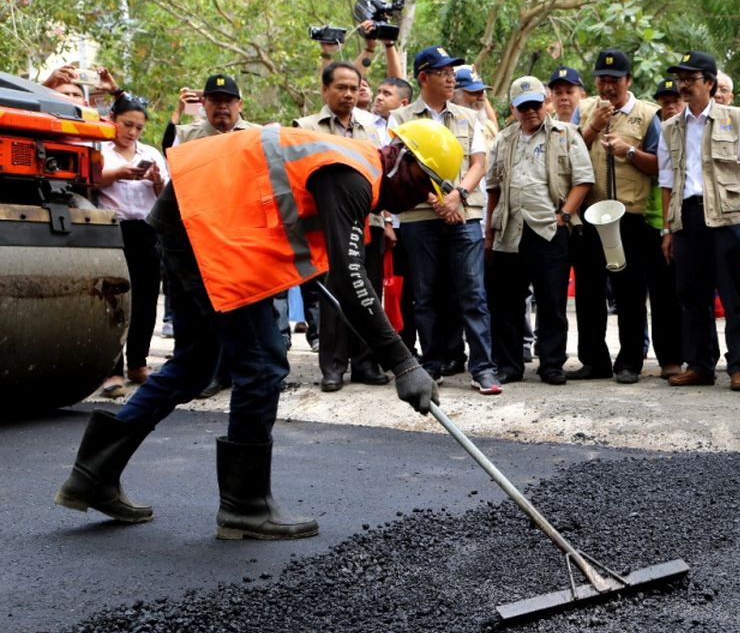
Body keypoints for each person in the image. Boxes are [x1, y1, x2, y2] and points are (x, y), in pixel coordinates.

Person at [54, 120, 454, 539]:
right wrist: (404, 364)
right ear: (401, 160)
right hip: (206, 228)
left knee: (195, 363)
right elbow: (352, 282)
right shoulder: (354, 177)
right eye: (422, 183)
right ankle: (245, 506)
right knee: (262, 364)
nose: (419, 200)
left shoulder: (348, 164)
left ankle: (92, 473)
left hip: (189, 219)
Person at [389, 46, 503, 395]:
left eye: (453, 72)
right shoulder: (401, 119)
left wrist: (458, 196)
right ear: (423, 78)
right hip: (420, 217)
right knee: (425, 294)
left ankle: (483, 368)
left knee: (473, 292)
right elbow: (397, 169)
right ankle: (432, 363)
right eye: (442, 73)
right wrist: (438, 201)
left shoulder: (470, 117)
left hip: (465, 214)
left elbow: (479, 163)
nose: (451, 78)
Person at [657, 50, 740, 391]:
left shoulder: (735, 118)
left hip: (727, 216)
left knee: (733, 295)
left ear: (710, 84)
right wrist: (668, 228)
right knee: (691, 295)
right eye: (681, 80)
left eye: (691, 79)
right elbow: (667, 180)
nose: (684, 86)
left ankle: (739, 367)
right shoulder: (671, 126)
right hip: (687, 216)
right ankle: (700, 365)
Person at [486, 76, 593, 384]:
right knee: (506, 303)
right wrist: (490, 232)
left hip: (548, 228)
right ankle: (508, 365)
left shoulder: (566, 134)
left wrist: (564, 215)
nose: (531, 112)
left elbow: (583, 180)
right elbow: (493, 187)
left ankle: (551, 364)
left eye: (535, 105)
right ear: (513, 109)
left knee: (552, 301)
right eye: (524, 107)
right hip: (509, 229)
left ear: (545, 103)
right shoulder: (504, 139)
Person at [294, 61, 391, 393]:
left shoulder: (372, 129)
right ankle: (333, 367)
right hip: (327, 228)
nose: (348, 94)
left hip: (370, 223)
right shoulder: (305, 127)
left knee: (368, 293)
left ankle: (366, 362)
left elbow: (381, 176)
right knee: (335, 294)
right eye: (341, 87)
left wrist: (387, 222)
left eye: (354, 87)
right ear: (324, 90)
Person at [570, 49, 662, 384]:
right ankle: (594, 360)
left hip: (629, 217)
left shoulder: (649, 115)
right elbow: (567, 154)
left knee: (630, 292)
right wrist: (592, 127)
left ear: (628, 81)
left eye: (614, 81)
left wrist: (630, 151)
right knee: (589, 291)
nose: (607, 87)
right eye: (601, 80)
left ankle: (629, 361)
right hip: (589, 215)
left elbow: (661, 165)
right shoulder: (582, 110)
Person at [172, 74, 260, 398]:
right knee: (205, 308)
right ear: (204, 104)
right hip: (202, 235)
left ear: (239, 104)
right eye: (215, 100)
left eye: (228, 100)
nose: (222, 106)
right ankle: (208, 372)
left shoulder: (256, 136)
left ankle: (241, 371)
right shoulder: (186, 137)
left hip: (243, 234)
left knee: (244, 306)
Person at [93, 95, 170, 398]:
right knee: (113, 302)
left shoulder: (150, 153)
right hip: (113, 230)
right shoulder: (100, 150)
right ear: (113, 119)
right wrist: (120, 174)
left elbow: (164, 194)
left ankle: (138, 363)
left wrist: (155, 182)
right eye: (127, 125)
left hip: (146, 230)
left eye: (138, 127)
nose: (132, 132)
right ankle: (112, 369)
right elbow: (89, 181)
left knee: (146, 300)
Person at [645, 79, 686, 378]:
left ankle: (697, 356)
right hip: (656, 222)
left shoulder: (694, 131)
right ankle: (668, 358)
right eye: (664, 101)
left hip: (691, 224)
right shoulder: (657, 135)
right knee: (661, 298)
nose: (670, 106)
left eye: (675, 100)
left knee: (690, 296)